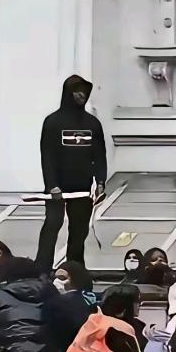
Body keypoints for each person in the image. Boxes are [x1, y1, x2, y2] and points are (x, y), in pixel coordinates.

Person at [35, 75, 106, 272]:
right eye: (77, 91)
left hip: (82, 189)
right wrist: (52, 185)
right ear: (68, 93)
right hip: (57, 187)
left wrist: (100, 181)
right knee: (52, 225)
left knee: (78, 232)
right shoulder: (52, 122)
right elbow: (47, 156)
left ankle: (74, 269)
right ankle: (41, 270)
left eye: (84, 92)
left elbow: (100, 155)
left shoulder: (92, 124)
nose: (82, 95)